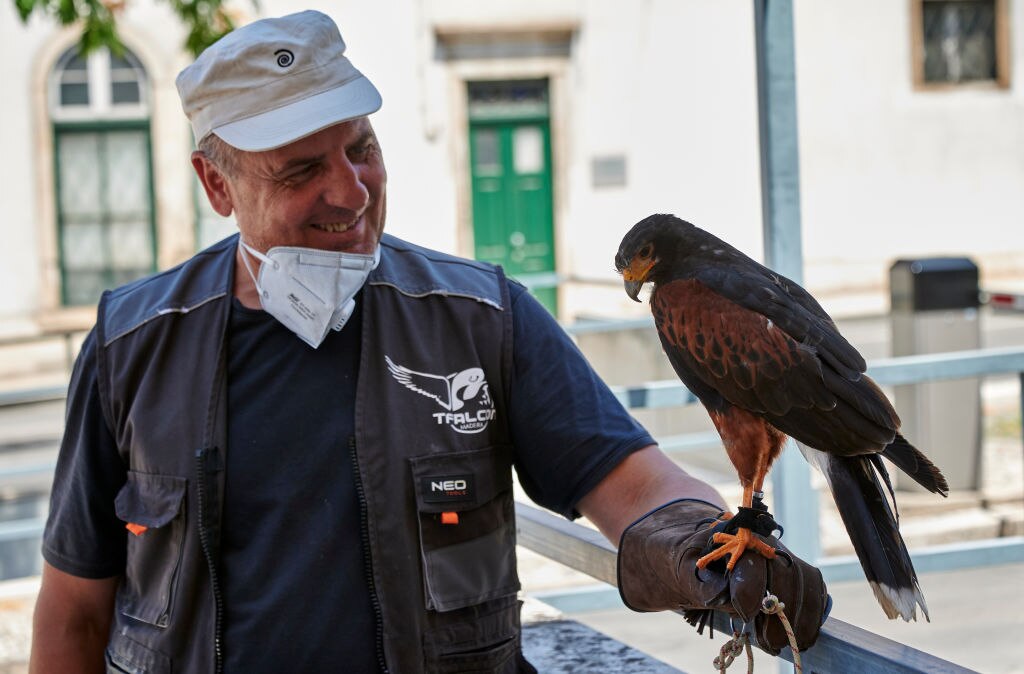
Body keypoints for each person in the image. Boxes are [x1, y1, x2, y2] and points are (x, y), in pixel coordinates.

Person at [29, 10, 828, 673]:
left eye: (362, 148)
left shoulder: (481, 318)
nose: (350, 191)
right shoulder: (131, 345)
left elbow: (637, 487)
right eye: (301, 169)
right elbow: (72, 614)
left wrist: (702, 548)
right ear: (217, 185)